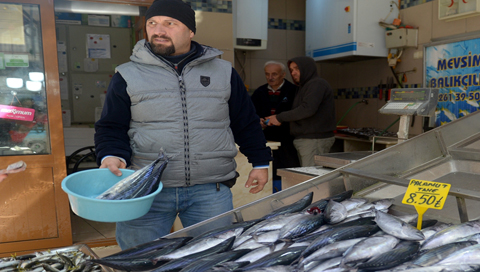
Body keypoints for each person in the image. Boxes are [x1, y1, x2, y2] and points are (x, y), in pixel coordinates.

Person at [94, 0, 271, 250]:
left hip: (210, 191)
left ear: (190, 31)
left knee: (212, 259)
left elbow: (246, 121)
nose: (159, 30)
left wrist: (260, 161)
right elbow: (111, 126)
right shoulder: (127, 74)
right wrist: (111, 154)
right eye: (152, 23)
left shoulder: (223, 72)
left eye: (170, 23)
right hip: (147, 190)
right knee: (139, 260)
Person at [265, 56, 336, 167]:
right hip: (308, 140)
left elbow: (307, 109)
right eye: (292, 70)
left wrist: (279, 117)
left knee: (311, 178)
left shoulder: (316, 84)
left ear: (306, 68)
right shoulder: (304, 86)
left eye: (297, 69)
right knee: (308, 176)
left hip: (313, 140)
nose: (293, 73)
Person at [251, 61, 300, 191]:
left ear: (283, 74)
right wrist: (259, 121)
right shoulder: (259, 92)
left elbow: (299, 114)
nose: (270, 77)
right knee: (270, 169)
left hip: (288, 140)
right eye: (267, 74)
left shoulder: (294, 91)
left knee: (288, 171)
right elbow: (251, 113)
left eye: (274, 74)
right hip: (266, 139)